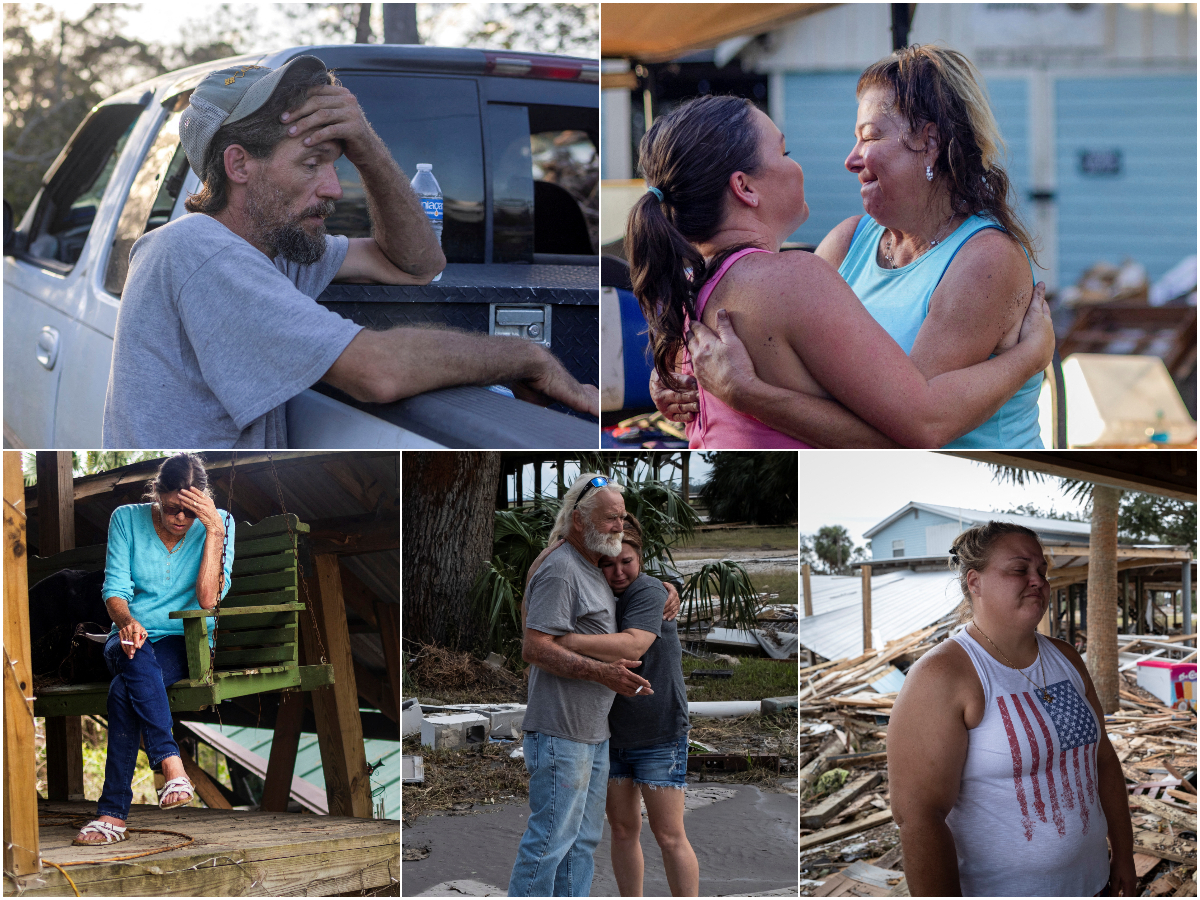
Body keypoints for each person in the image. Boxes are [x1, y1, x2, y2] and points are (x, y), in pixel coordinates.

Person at [103, 55, 596, 448]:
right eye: (312, 164)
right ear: (239, 165)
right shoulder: (198, 250)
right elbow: (378, 371)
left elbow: (418, 265)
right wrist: (529, 357)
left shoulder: (275, 251)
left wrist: (367, 146)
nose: (334, 189)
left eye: (337, 165)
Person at [641, 45, 1051, 449]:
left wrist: (747, 395)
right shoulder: (847, 241)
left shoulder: (985, 259)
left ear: (929, 142)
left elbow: (920, 426)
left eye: (869, 137)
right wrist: (682, 379)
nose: (850, 160)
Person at [887, 522, 1136, 896]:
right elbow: (919, 817)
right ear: (975, 582)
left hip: (1093, 882)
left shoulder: (1065, 657)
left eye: (1042, 571)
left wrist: (1125, 853)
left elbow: (1101, 759)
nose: (1037, 580)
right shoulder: (944, 674)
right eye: (1020, 570)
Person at [73, 453, 235, 845]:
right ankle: (170, 762)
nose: (181, 519)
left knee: (122, 691)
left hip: (186, 643)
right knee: (133, 655)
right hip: (127, 637)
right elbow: (114, 590)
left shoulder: (220, 523)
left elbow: (208, 599)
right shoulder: (126, 519)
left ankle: (112, 814)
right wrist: (127, 623)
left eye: (190, 513)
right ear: (157, 494)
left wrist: (213, 531)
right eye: (173, 508)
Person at [509, 474, 652, 897]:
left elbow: (634, 577)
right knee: (550, 842)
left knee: (581, 844)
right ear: (578, 520)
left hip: (593, 734)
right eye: (611, 519)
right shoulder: (562, 569)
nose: (619, 527)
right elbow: (534, 648)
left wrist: (667, 588)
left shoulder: (592, 567)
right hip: (560, 732)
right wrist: (602, 673)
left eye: (622, 519)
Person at [552, 514, 698, 897]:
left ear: (641, 559)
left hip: (659, 731)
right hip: (611, 735)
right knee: (621, 830)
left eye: (626, 561)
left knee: (668, 835)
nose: (618, 572)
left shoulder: (650, 591)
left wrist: (566, 642)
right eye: (608, 563)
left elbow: (634, 645)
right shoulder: (598, 594)